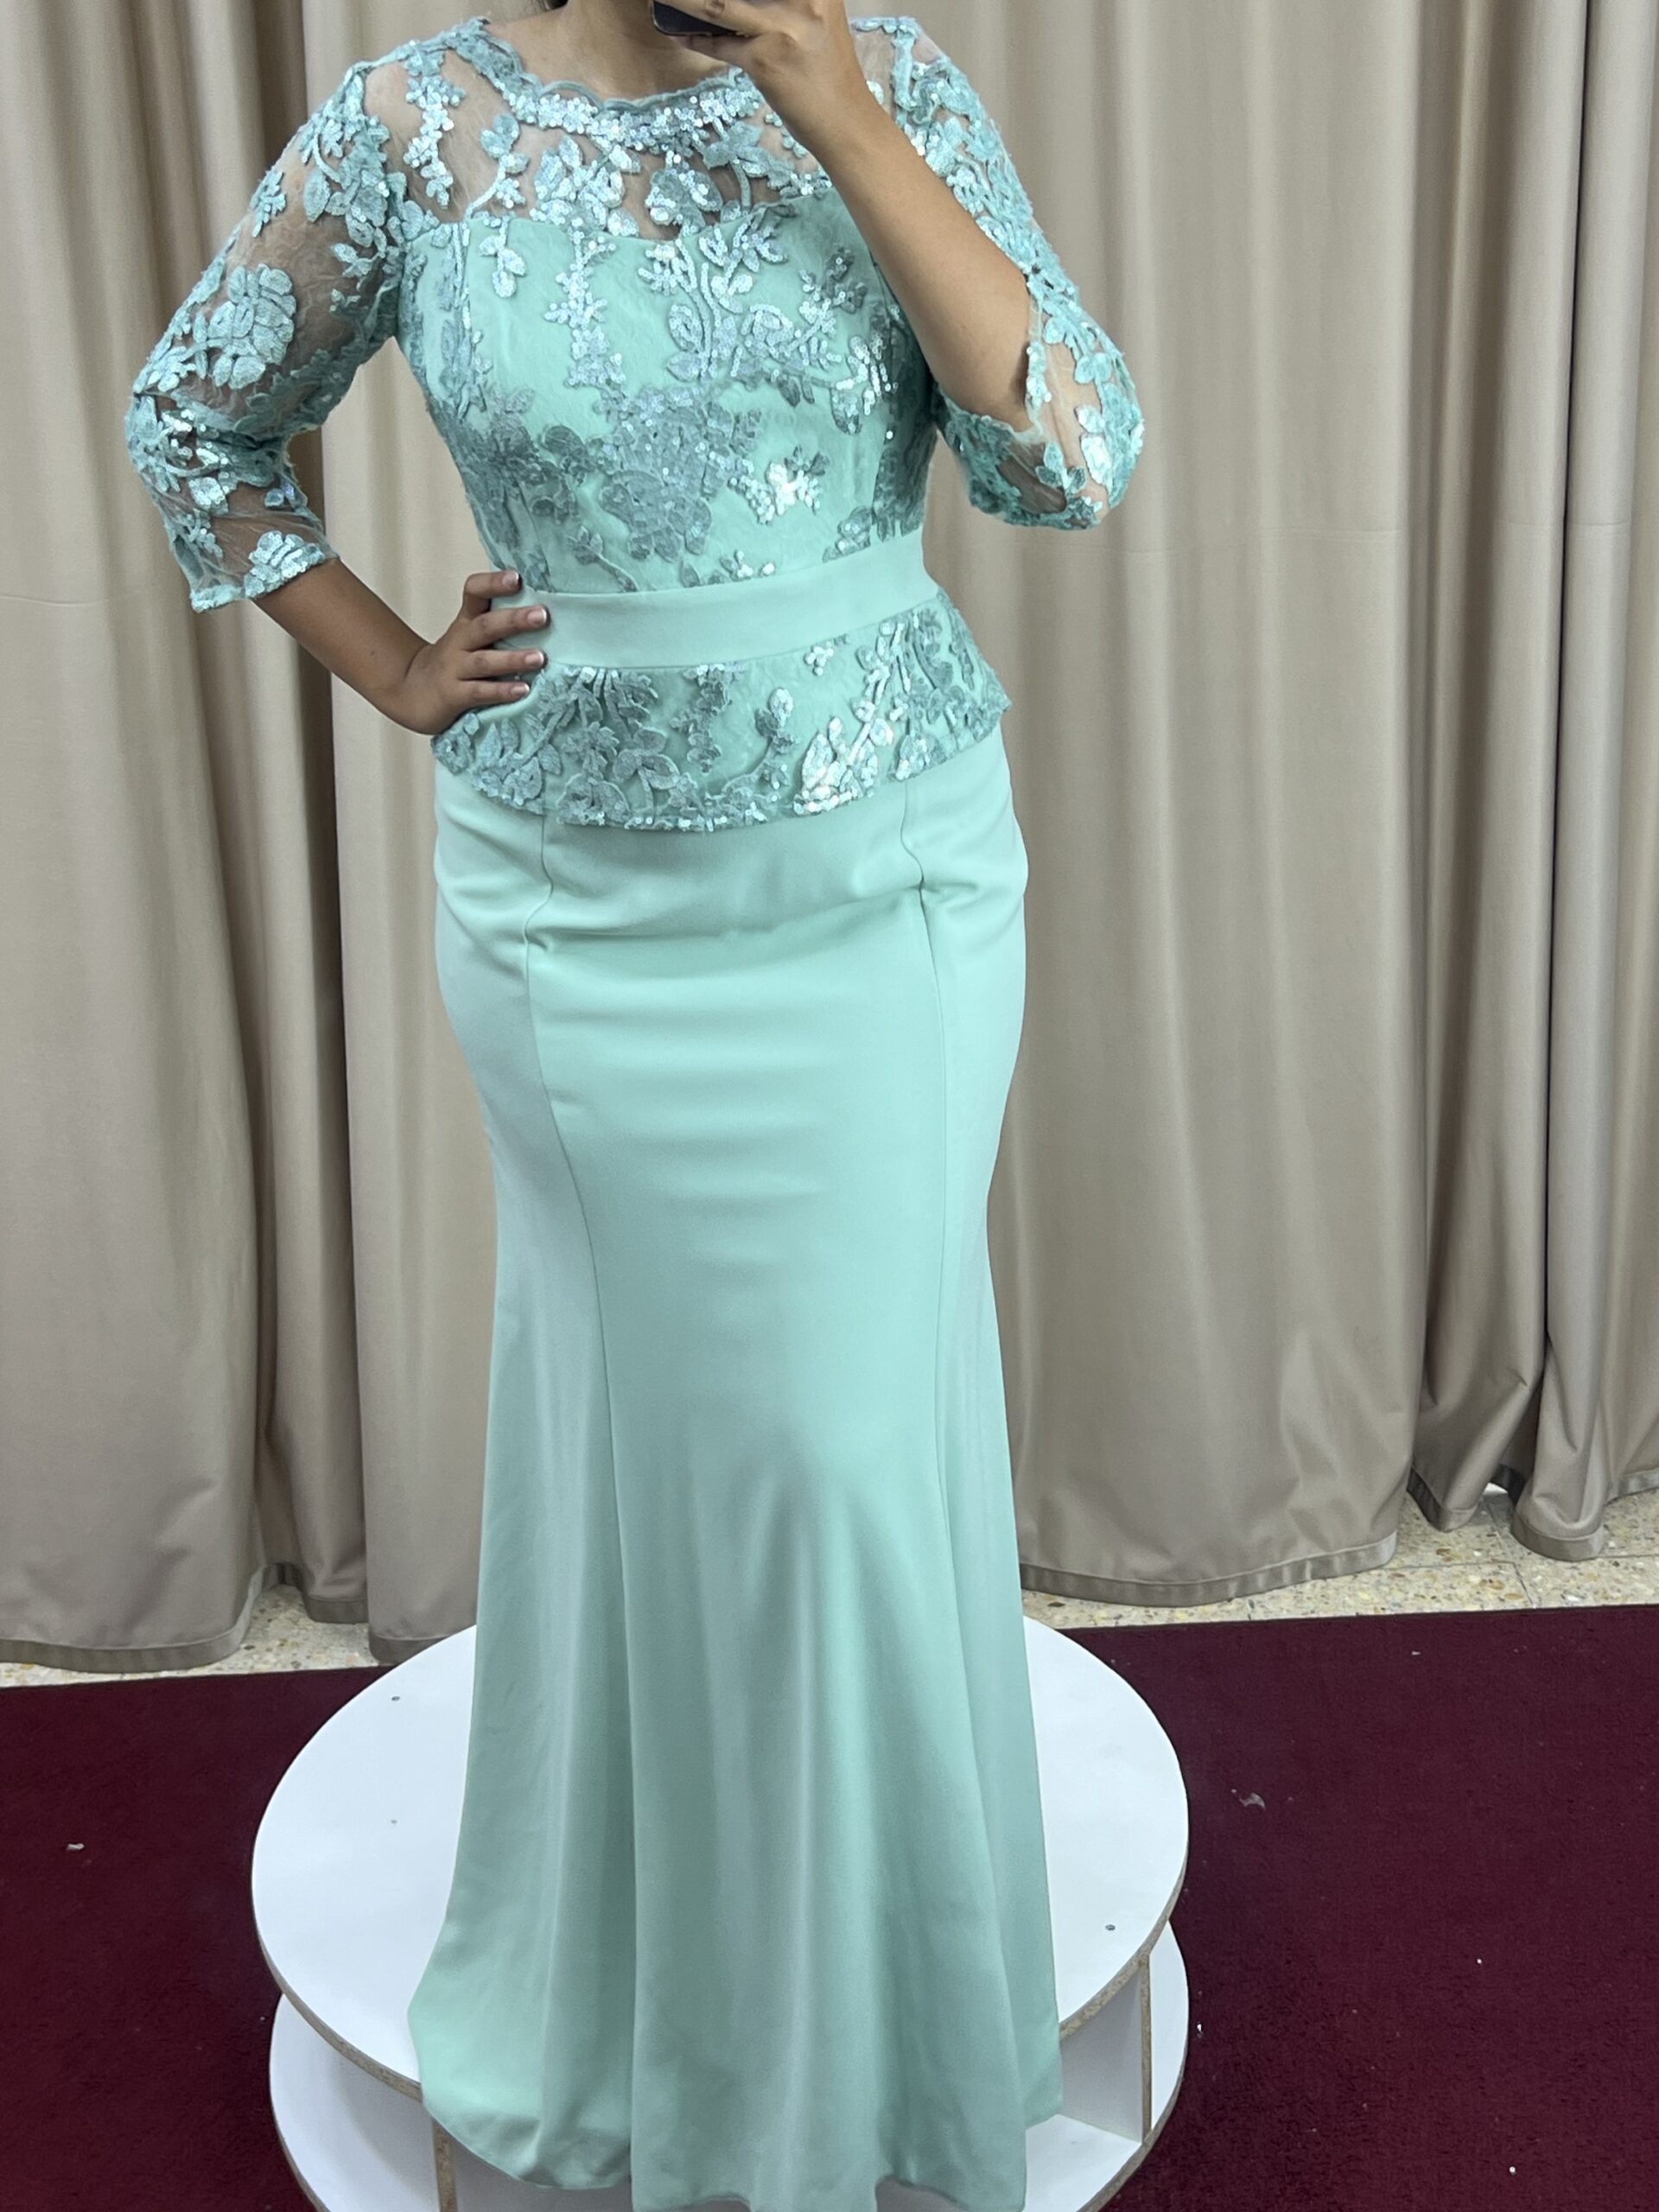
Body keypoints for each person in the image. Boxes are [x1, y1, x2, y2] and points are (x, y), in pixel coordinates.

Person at [123, 4, 1143, 2207]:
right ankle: (653, 1999)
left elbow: (1070, 452)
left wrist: (839, 118)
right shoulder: (412, 124)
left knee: (833, 1461)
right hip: (573, 927)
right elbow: (196, 416)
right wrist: (397, 663)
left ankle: (863, 2062)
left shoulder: (884, 77)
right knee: (657, 1445)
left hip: (882, 899)